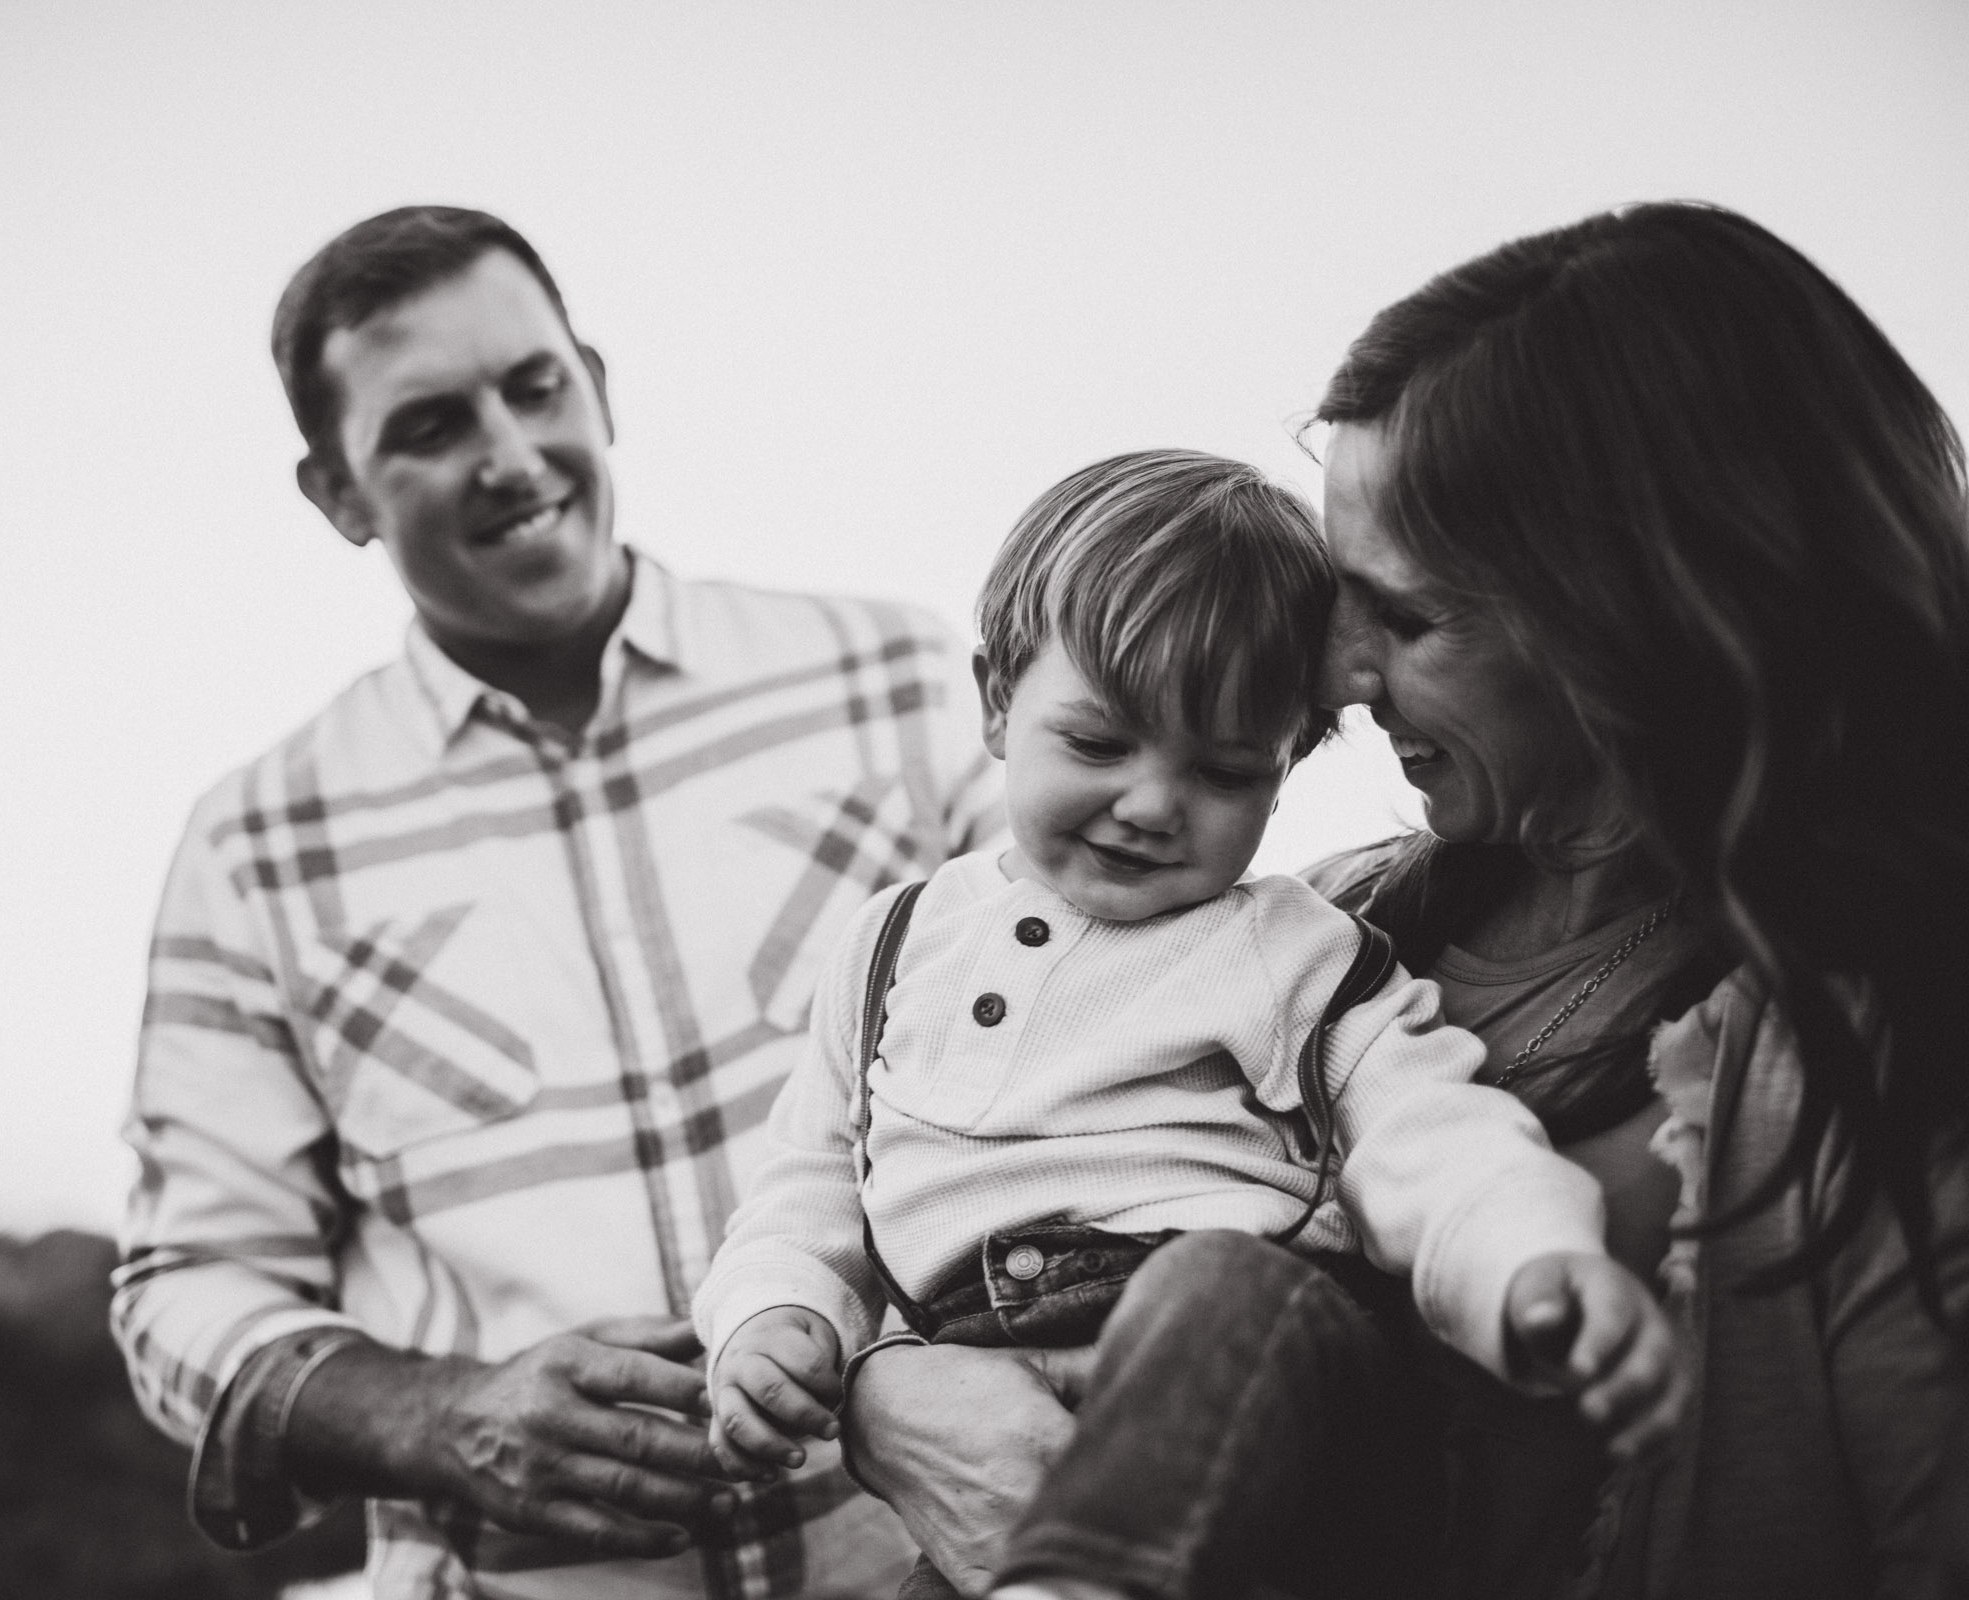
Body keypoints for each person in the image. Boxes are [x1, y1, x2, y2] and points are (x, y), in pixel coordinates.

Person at [845, 201, 1969, 1600]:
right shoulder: (1324, 927)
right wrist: (888, 1388)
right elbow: (985, 1200)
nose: (1338, 676)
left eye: (1411, 619)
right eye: (1342, 605)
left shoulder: (1885, 1047)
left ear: (1635, 616)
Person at [110, 205, 1003, 1600]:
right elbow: (186, 1291)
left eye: (536, 389)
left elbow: (1106, 1013)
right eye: (427, 426)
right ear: (338, 494)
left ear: (599, 385)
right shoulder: (257, 847)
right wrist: (438, 1417)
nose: (512, 456)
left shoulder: (891, 684)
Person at [691, 450, 1683, 1599]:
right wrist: (776, 1317)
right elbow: (810, 1180)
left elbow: (1436, 1137)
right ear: (998, 699)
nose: (1154, 805)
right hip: (990, 1416)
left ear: (1287, 767)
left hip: (1260, 1383)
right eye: (1100, 742)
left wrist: (1533, 1263)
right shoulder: (897, 942)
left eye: (1221, 770)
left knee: (1216, 1291)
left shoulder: (1295, 950)